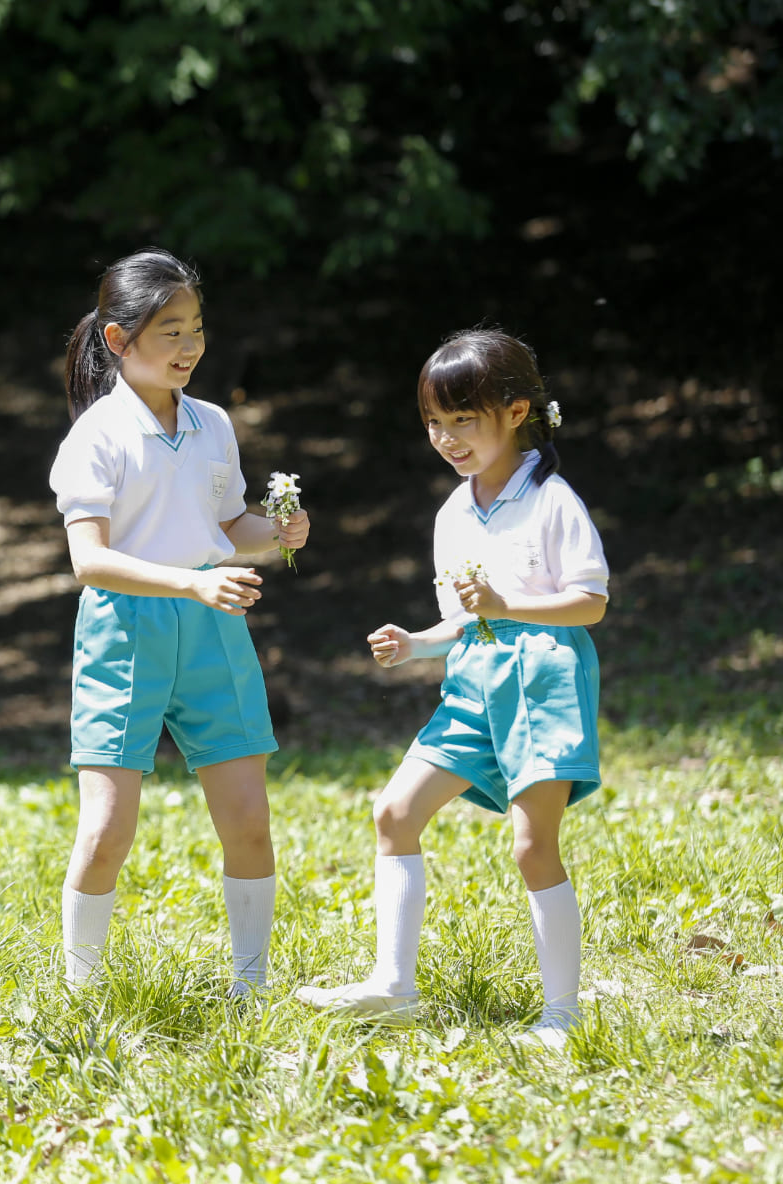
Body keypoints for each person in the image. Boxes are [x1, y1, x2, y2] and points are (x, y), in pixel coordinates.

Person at [295, 329, 607, 1049]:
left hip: (544, 682)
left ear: (515, 409)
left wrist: (506, 606)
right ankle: (391, 986)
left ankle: (563, 1015)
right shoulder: (452, 512)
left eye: (462, 420)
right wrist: (415, 643)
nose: (446, 438)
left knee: (534, 847)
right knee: (395, 812)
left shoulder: (553, 501)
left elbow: (590, 605)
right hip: (472, 684)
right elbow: (461, 618)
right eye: (434, 422)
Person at [48, 248, 311, 997]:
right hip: (125, 634)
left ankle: (252, 988)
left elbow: (227, 529)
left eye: (196, 328)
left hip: (214, 631)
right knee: (105, 834)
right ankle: (82, 996)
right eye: (170, 331)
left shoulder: (214, 424)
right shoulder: (95, 439)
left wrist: (279, 531)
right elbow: (90, 563)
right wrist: (193, 585)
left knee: (249, 823)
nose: (190, 346)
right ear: (117, 340)